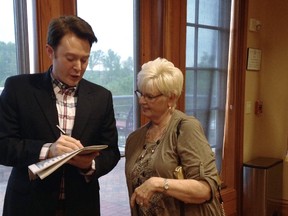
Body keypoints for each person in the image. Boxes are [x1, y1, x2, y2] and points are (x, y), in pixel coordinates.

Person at [0, 15, 120, 216]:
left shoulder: (101, 97)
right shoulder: (18, 89)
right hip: (29, 205)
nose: (79, 67)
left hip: (82, 205)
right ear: (50, 51)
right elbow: (3, 145)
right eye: (70, 58)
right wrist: (48, 150)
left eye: (85, 59)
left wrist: (89, 165)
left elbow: (112, 151)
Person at [125, 57, 223, 215]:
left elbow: (206, 189)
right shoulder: (134, 139)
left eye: (149, 96)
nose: (142, 101)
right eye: (140, 94)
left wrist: (159, 184)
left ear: (171, 97)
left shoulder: (186, 128)